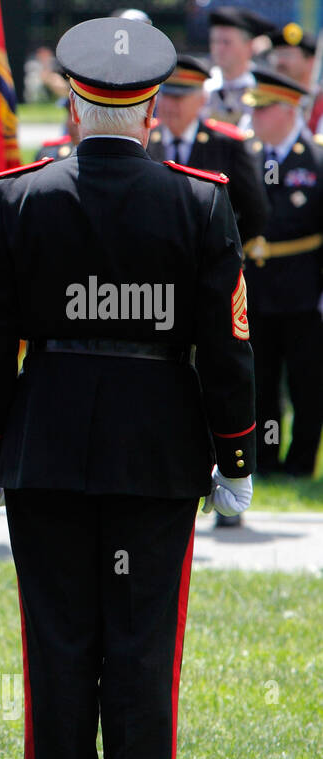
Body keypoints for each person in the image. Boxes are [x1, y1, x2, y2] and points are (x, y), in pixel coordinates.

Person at [0, 16, 255, 759]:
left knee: (58, 642)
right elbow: (228, 343)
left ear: (71, 100)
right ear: (154, 106)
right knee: (139, 645)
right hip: (156, 447)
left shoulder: (17, 196)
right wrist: (235, 448)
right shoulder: (201, 200)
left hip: (46, 440)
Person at [243, 68, 323, 480]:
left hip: (304, 293)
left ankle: (301, 461)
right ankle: (268, 459)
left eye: (264, 109)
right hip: (256, 292)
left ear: (289, 111)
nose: (254, 116)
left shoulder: (317, 159)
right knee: (262, 382)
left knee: (307, 384)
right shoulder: (249, 156)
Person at [146, 55, 268, 252]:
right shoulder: (145, 140)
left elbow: (255, 212)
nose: (170, 105)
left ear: (202, 100)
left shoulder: (228, 144)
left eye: (179, 97)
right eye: (166, 95)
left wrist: (224, 254)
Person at [204, 6, 275, 130]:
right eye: (215, 41)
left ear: (249, 46)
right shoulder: (204, 87)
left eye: (227, 42)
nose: (219, 49)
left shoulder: (262, 89)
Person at [267, 24, 323, 135]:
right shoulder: (267, 101)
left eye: (287, 55)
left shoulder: (319, 103)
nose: (280, 62)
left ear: (311, 62)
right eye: (276, 55)